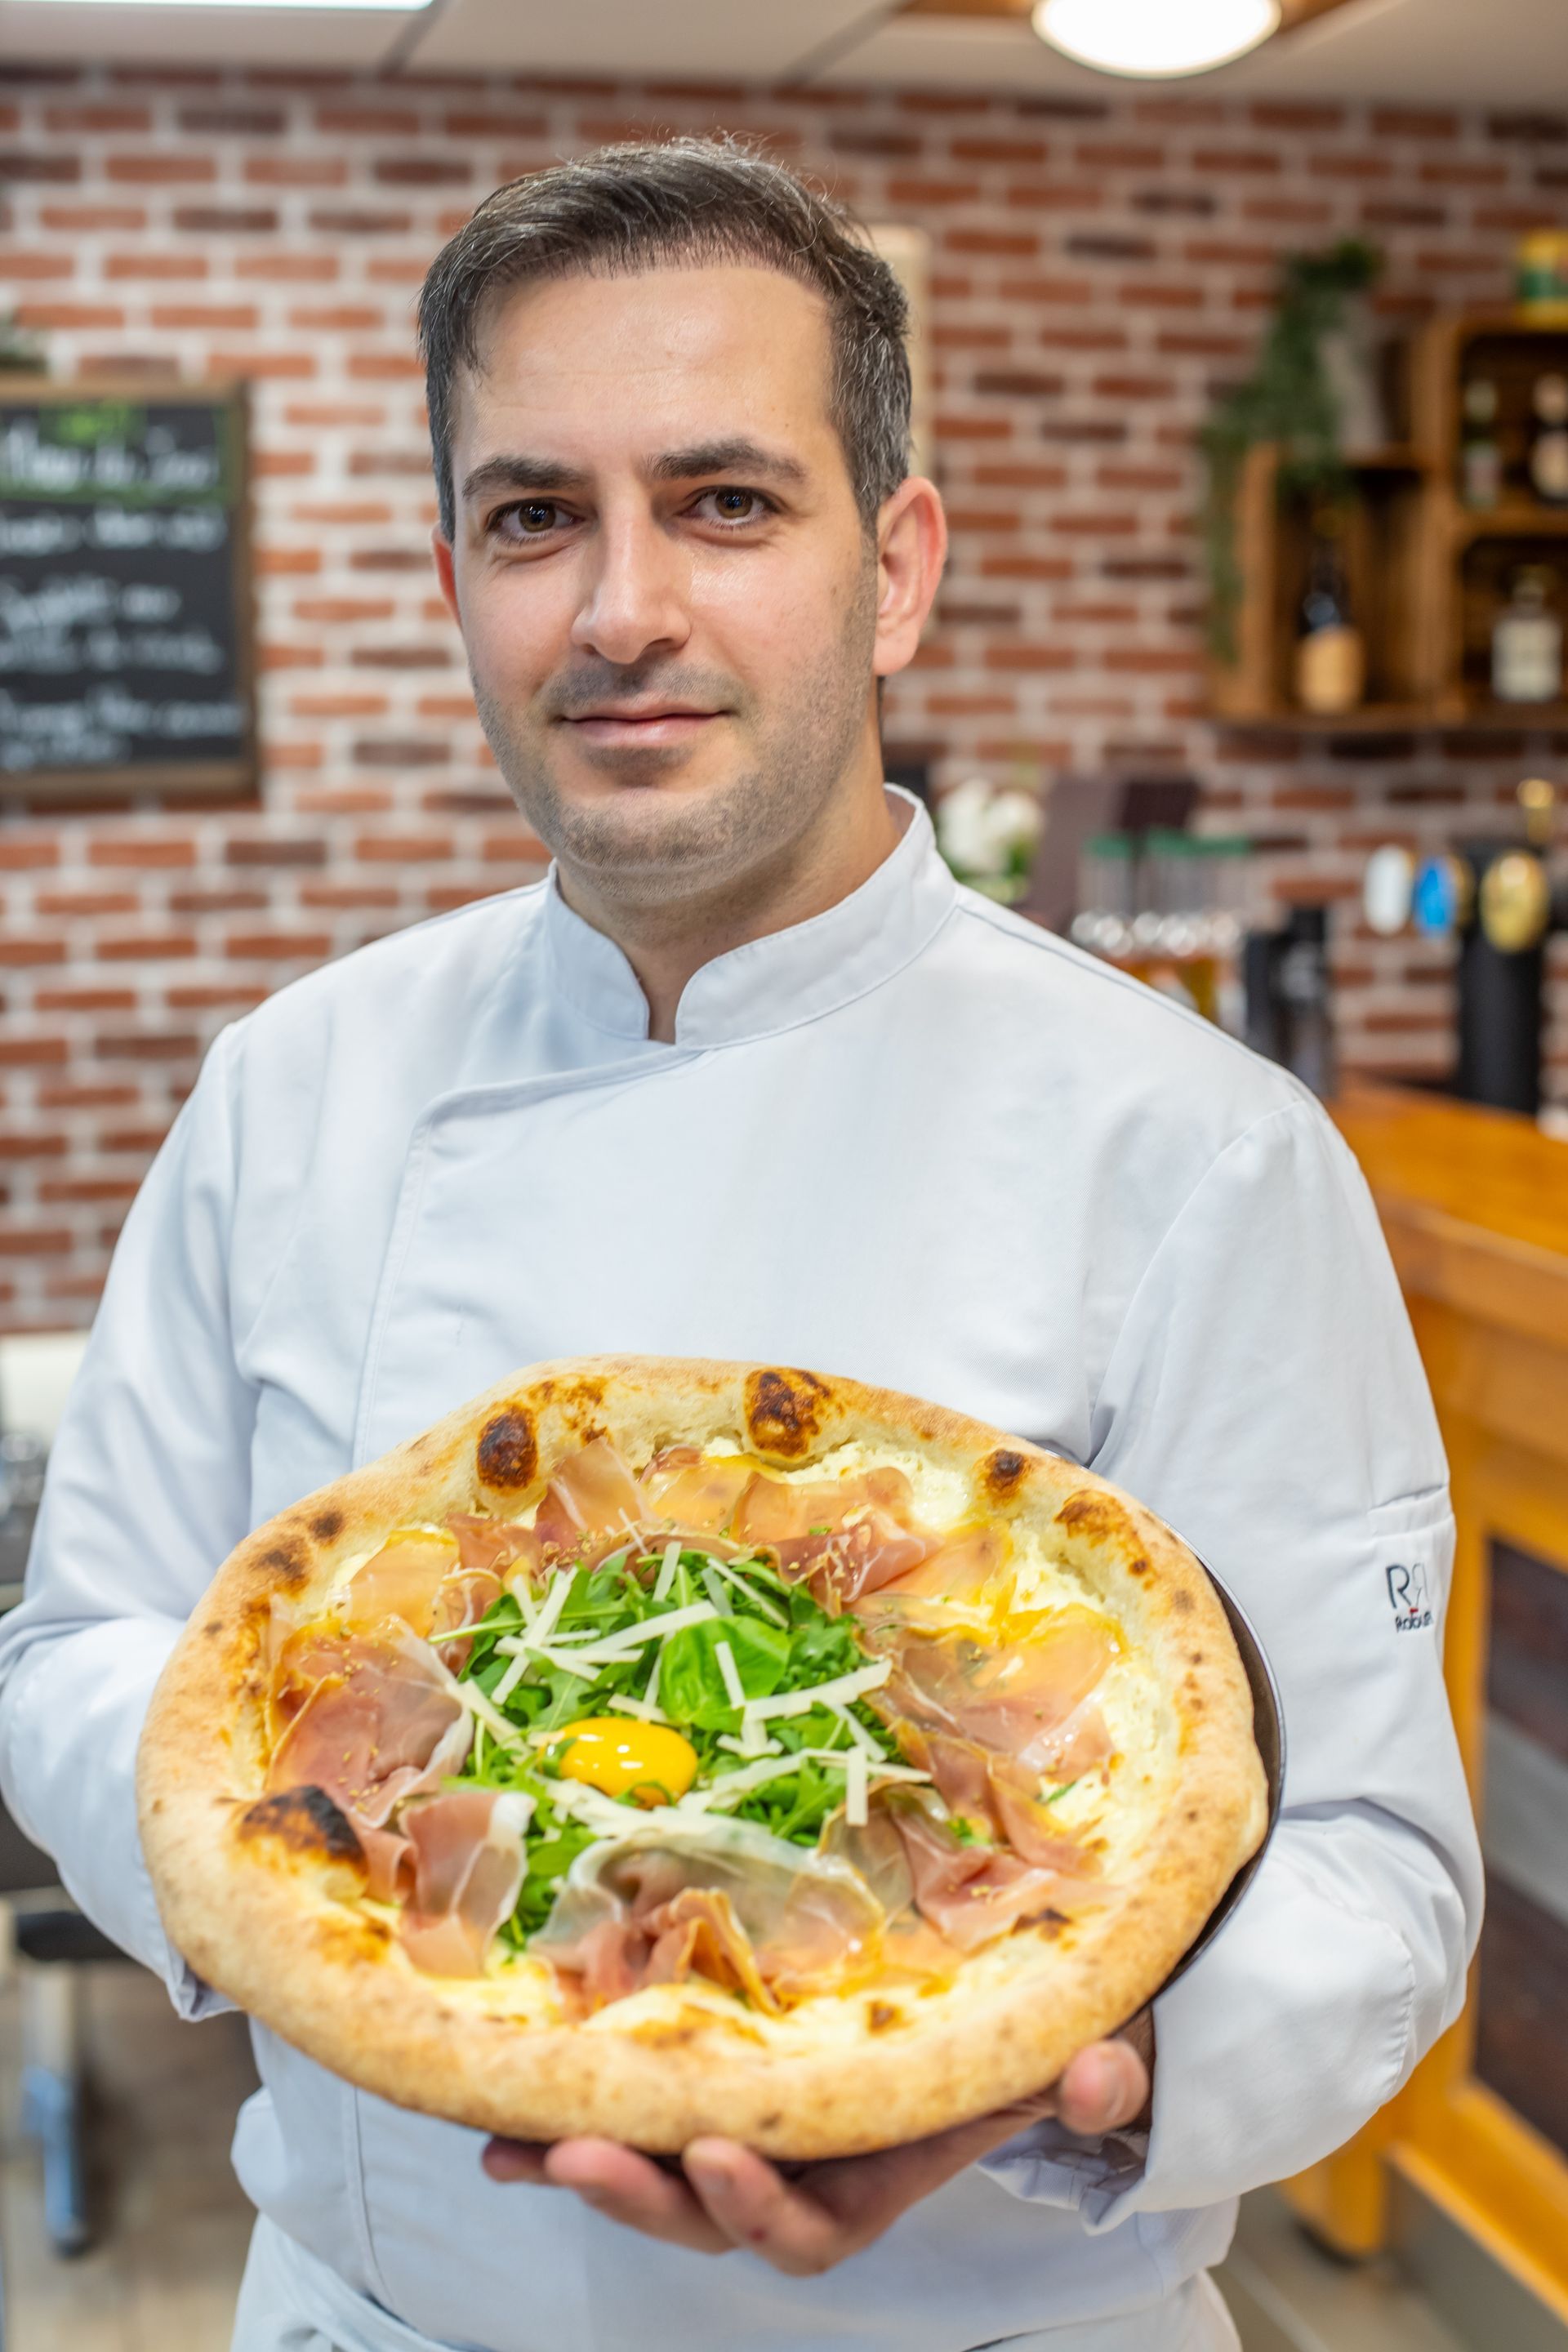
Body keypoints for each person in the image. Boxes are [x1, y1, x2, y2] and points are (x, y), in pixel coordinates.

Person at [0, 139, 1480, 2352]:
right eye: (533, 518)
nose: (617, 612)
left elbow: (1376, 1867)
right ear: (453, 579)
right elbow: (78, 1652)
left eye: (722, 501)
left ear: (894, 569)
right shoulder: (289, 1087)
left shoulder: (1200, 1150)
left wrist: (1053, 2081)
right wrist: (303, 1870)